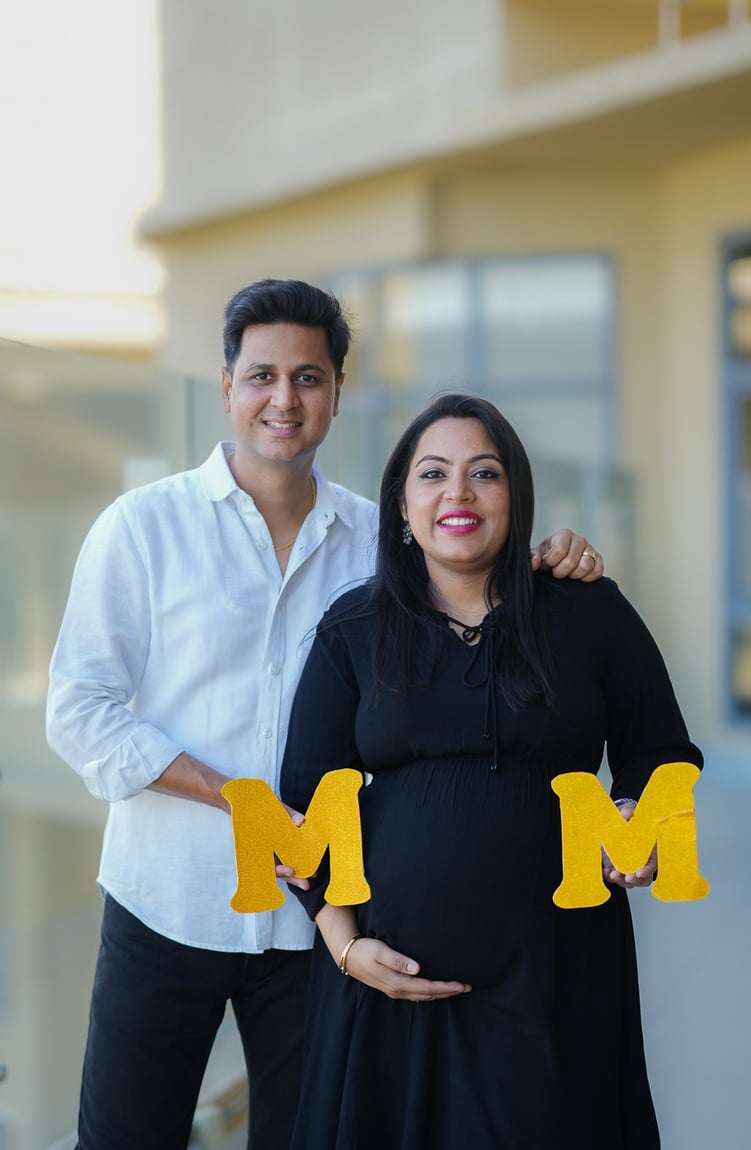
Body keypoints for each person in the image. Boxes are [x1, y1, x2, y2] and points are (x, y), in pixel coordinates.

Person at [45, 281, 604, 1150]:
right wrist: (236, 798)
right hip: (166, 903)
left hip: (318, 928)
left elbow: (474, 582)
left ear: (337, 393)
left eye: (308, 378)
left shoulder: (384, 545)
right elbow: (78, 710)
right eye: (262, 376)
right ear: (226, 387)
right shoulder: (142, 528)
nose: (285, 398)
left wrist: (552, 558)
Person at [280, 392, 703, 1150]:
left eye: (484, 472)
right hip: (389, 991)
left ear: (517, 495)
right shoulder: (354, 628)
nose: (459, 493)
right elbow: (304, 809)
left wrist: (642, 824)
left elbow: (662, 754)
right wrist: (346, 950)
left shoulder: (590, 613)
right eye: (433, 474)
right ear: (401, 503)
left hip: (558, 979)